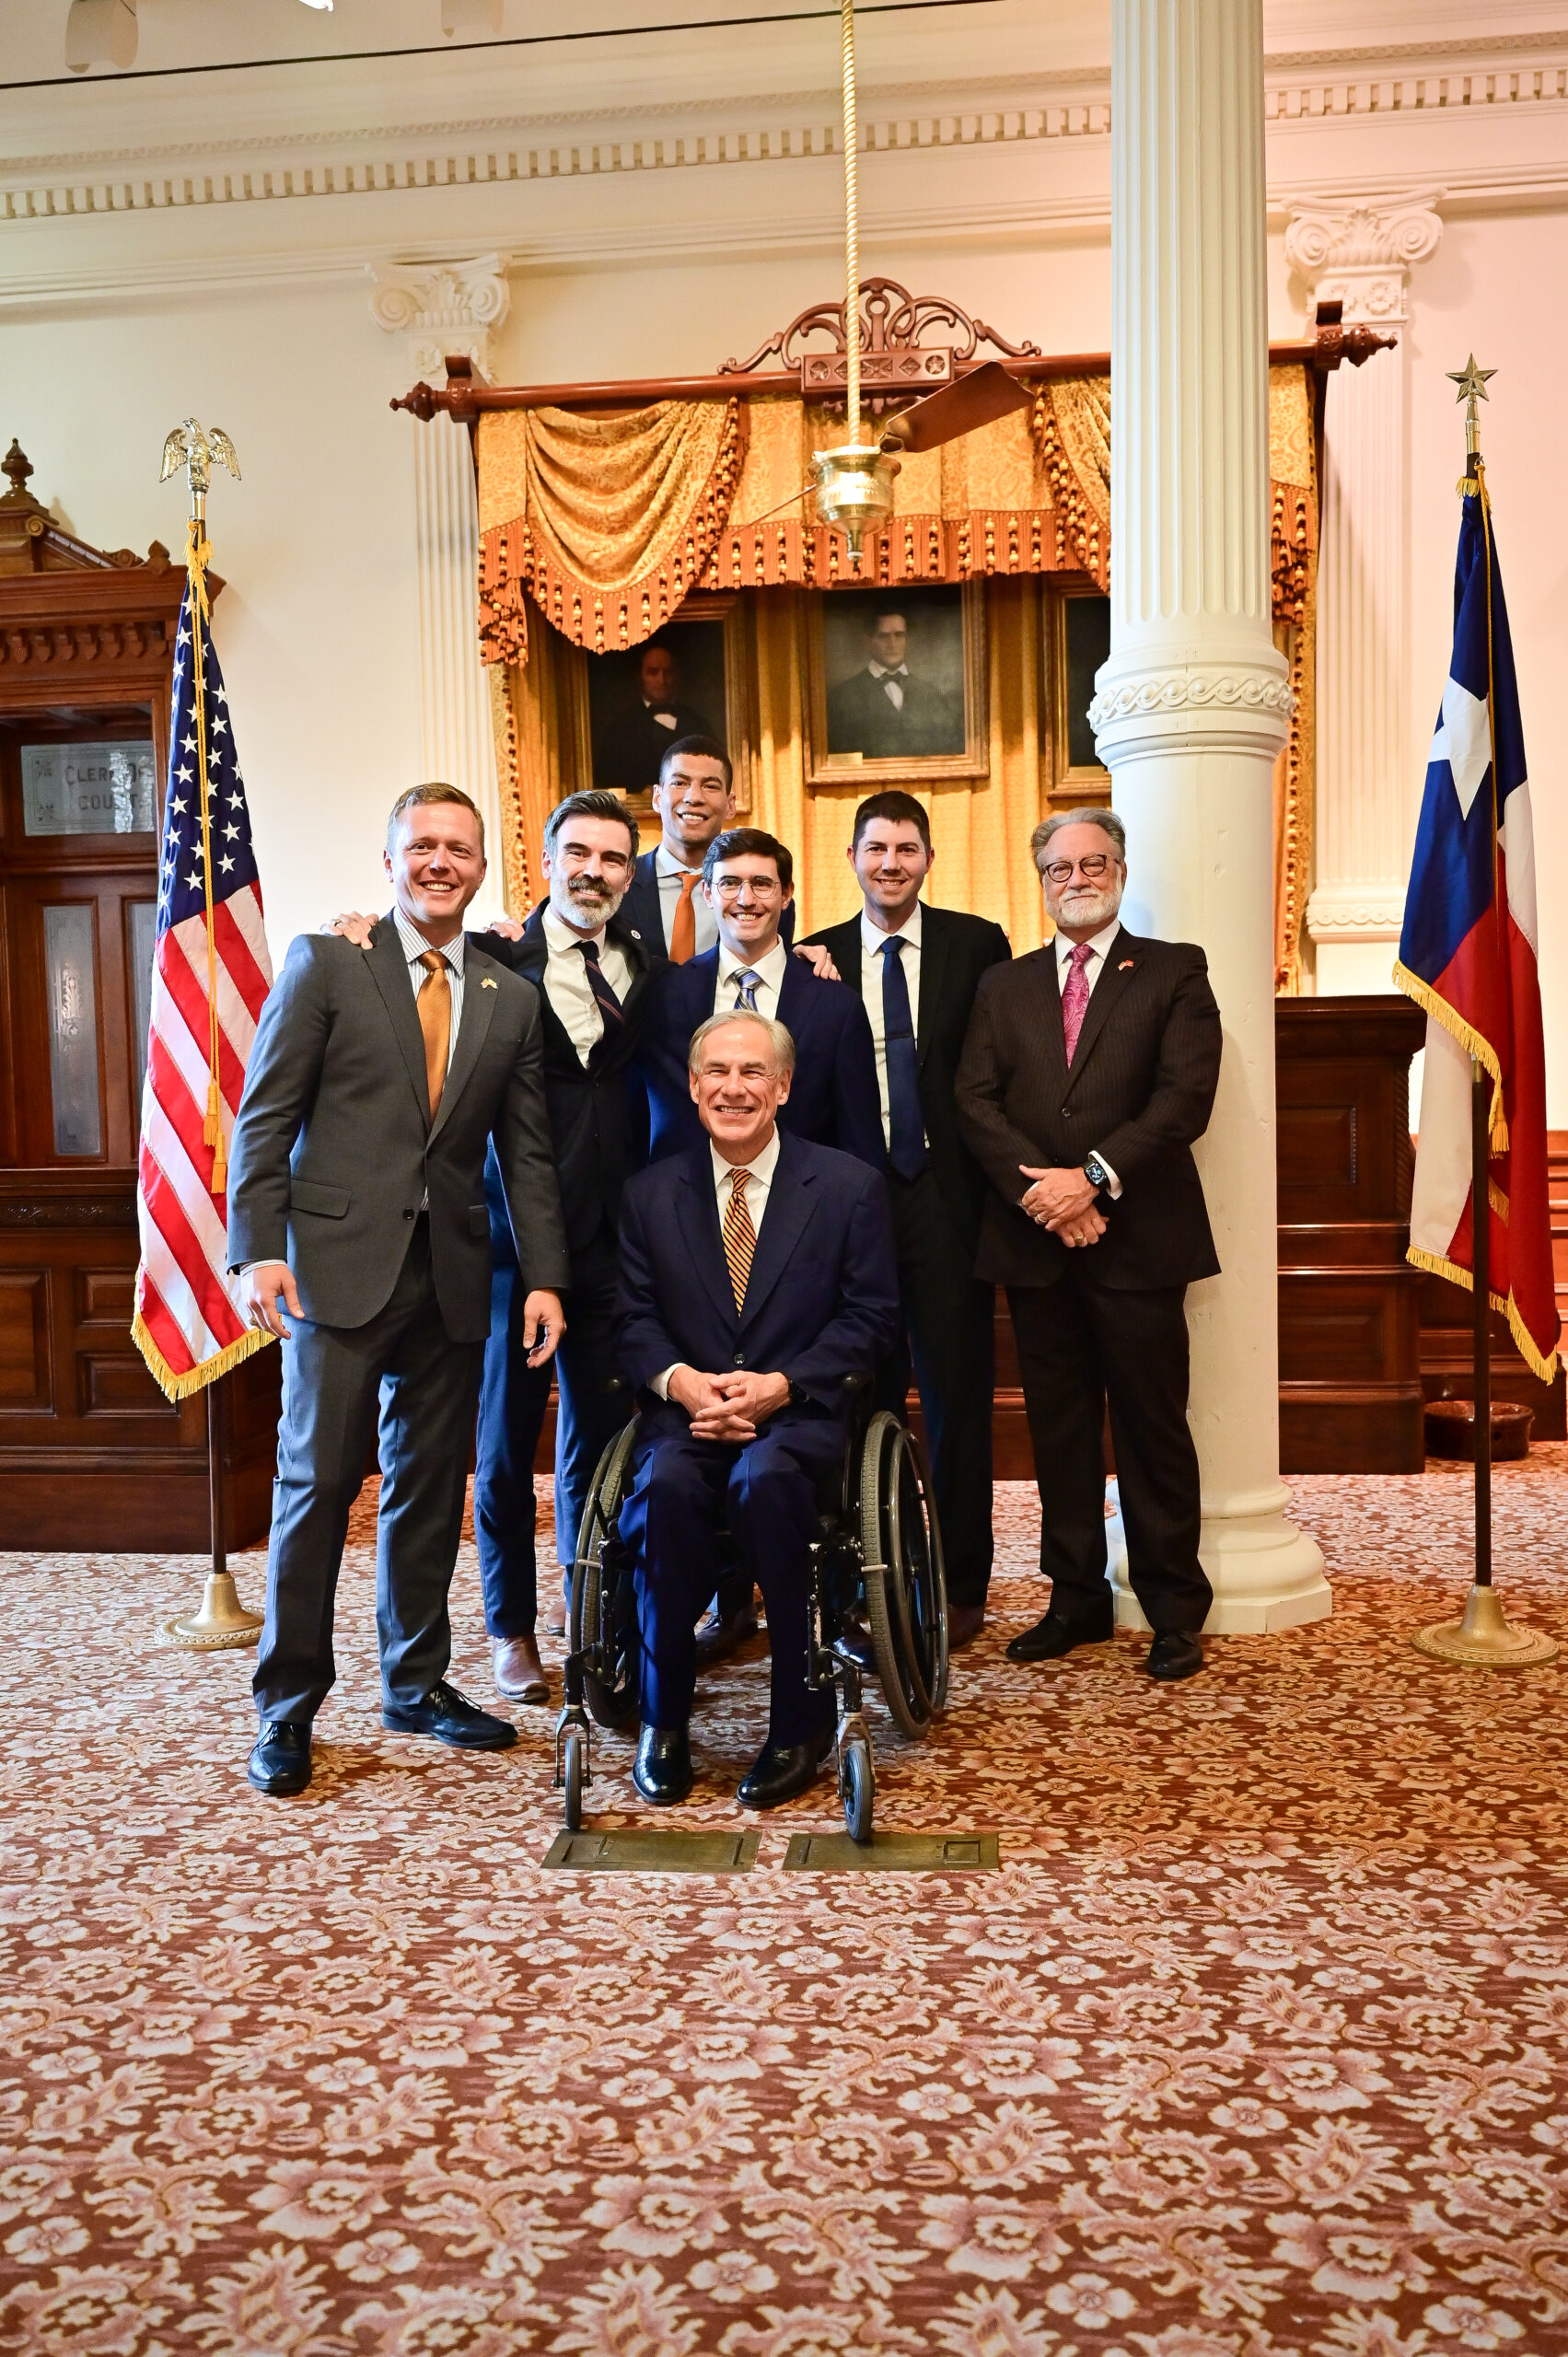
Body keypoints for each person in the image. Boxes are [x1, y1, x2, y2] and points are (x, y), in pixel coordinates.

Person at [227, 784, 569, 1796]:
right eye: (421, 845)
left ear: (478, 868)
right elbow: (265, 1111)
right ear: (389, 860)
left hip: (454, 1280)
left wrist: (544, 1276)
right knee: (315, 1490)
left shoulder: (510, 996)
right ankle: (287, 1705)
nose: (439, 862)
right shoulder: (328, 960)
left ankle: (413, 1683)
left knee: (428, 1493)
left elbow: (530, 1155)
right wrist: (257, 1248)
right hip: (333, 1272)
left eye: (458, 849)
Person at [954, 808, 1222, 1682]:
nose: (1076, 878)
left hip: (1138, 1242)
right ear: (1040, 881)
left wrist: (1092, 1178)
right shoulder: (1004, 984)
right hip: (1037, 1245)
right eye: (1059, 867)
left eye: (1092, 862)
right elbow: (974, 1101)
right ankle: (1074, 1599)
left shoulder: (1175, 971)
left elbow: (1183, 1101)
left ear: (1119, 870)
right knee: (1058, 1430)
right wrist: (1047, 1195)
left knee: (1151, 1429)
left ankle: (1174, 1608)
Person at [614, 1010, 900, 1808]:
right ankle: (663, 1721)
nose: (732, 1088)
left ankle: (795, 1725)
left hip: (799, 1414)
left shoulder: (846, 1188)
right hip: (687, 1417)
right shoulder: (647, 1193)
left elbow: (871, 1316)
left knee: (766, 1480)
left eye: (751, 1074)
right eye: (717, 1072)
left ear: (782, 1087)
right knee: (665, 1490)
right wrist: (681, 1382)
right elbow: (631, 1318)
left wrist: (782, 1383)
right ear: (693, 1084)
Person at [804, 791, 1011, 1651]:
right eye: (876, 848)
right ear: (852, 858)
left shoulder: (977, 944)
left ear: (929, 859)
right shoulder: (812, 954)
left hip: (948, 1202)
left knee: (958, 1398)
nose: (891, 863)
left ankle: (963, 1582)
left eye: (907, 849)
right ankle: (863, 1581)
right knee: (858, 1397)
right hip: (849, 1205)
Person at [639, 827, 882, 1169]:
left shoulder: (836, 1007)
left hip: (804, 1209)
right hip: (689, 1206)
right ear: (708, 893)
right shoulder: (663, 995)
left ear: (786, 895)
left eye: (762, 884)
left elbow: (861, 1145)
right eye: (730, 883)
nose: (746, 899)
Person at [619, 735, 796, 961]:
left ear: (730, 805)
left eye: (710, 786)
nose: (694, 797)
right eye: (680, 783)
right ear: (657, 797)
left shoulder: (766, 894)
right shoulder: (620, 884)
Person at [826, 607, 963, 761]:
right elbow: (840, 763)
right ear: (868, 641)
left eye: (899, 635)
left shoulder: (931, 694)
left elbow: (946, 755)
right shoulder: (843, 698)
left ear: (906, 640)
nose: (892, 644)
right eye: (883, 636)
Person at [595, 642, 714, 798]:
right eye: (653, 672)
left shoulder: (698, 724)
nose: (662, 680)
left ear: (677, 676)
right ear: (640, 677)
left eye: (668, 672)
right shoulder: (620, 729)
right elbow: (606, 781)